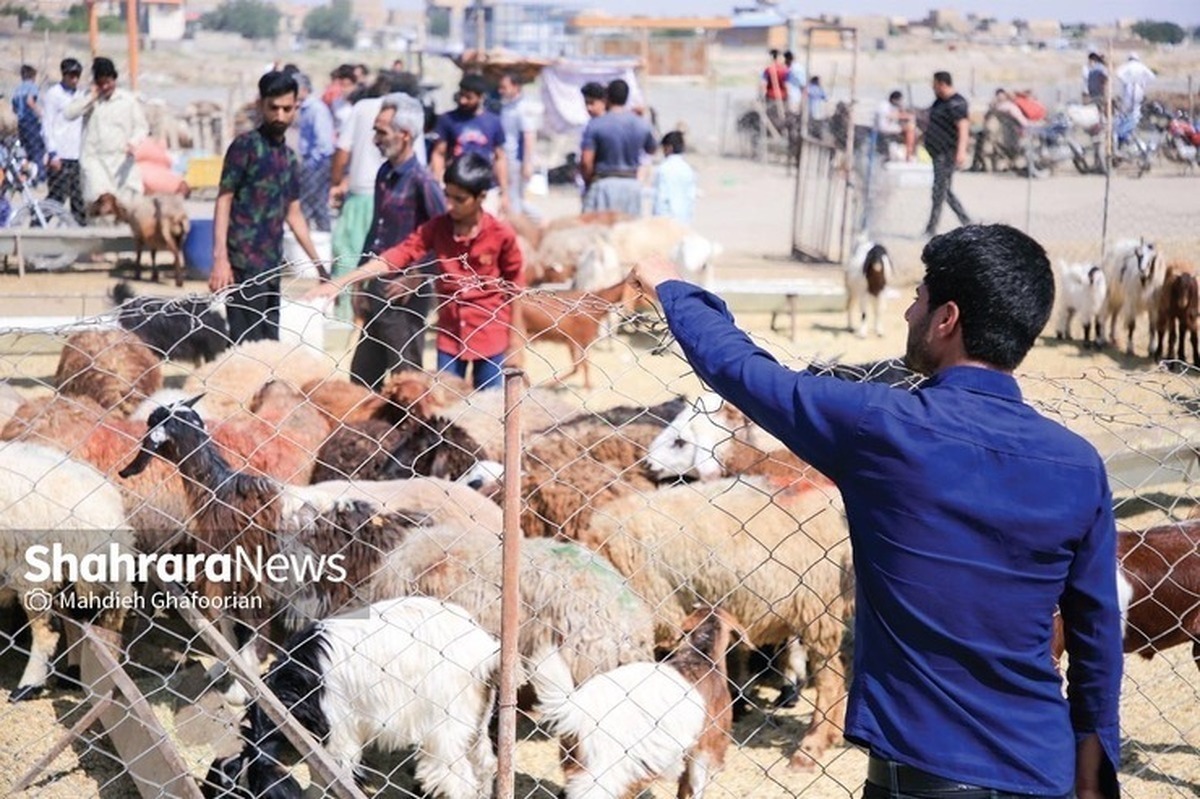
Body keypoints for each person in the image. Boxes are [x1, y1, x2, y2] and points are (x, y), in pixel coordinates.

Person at [630, 222, 1122, 799]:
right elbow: (1095, 636)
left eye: (918, 299)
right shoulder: (1078, 464)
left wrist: (671, 287)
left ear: (947, 319)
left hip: (923, 773)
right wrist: (1094, 777)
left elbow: (744, 372)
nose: (909, 315)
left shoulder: (881, 427)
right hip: (1046, 766)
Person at [305, 152, 522, 391]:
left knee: (491, 407)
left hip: (491, 337)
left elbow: (516, 288)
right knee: (447, 409)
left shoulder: (501, 235)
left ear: (480, 197)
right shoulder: (438, 228)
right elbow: (397, 256)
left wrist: (515, 343)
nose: (449, 205)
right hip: (450, 340)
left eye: (459, 199)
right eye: (447, 195)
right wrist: (343, 281)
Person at [211, 70, 325, 344]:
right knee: (244, 344)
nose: (280, 116)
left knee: (269, 345)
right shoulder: (245, 147)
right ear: (261, 105)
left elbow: (294, 214)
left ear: (296, 107)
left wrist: (319, 266)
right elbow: (224, 199)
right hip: (243, 265)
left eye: (287, 109)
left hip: (272, 266)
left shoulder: (288, 158)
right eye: (274, 108)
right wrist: (220, 259)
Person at [348, 93, 447, 388]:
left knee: (406, 381)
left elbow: (444, 240)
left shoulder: (423, 182)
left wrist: (417, 278)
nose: (375, 138)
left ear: (405, 135)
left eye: (382, 131)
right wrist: (359, 280)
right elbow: (375, 230)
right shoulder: (384, 173)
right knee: (362, 379)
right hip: (378, 286)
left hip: (404, 295)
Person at [330, 71, 405, 319]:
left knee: (348, 254)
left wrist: (336, 180)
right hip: (392, 192)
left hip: (362, 191)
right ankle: (375, 311)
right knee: (386, 256)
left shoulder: (362, 108)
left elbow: (343, 148)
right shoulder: (405, 113)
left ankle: (342, 315)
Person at [64, 57, 148, 209]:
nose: (105, 87)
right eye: (101, 83)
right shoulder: (90, 100)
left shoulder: (127, 101)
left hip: (121, 163)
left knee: (126, 206)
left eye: (108, 82)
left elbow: (141, 127)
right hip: (95, 162)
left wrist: (133, 143)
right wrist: (91, 97)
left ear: (114, 79)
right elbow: (69, 114)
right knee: (100, 206)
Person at [431, 74, 509, 214]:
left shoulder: (493, 122)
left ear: (480, 97)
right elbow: (439, 153)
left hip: (485, 188)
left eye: (468, 97)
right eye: (461, 95)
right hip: (456, 186)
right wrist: (438, 184)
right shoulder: (447, 120)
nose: (463, 100)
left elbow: (500, 157)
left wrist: (504, 191)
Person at [580, 79, 657, 217]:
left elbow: (586, 161)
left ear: (607, 97)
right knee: (628, 233)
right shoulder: (641, 124)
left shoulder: (596, 125)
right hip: (631, 185)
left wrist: (589, 181)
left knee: (596, 233)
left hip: (603, 184)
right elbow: (651, 149)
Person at [923, 71, 972, 238]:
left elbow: (963, 128)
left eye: (935, 84)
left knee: (939, 190)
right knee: (944, 190)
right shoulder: (939, 102)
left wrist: (961, 151)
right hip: (936, 152)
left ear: (942, 84)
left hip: (947, 153)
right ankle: (967, 222)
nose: (932, 88)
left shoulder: (957, 103)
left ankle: (932, 228)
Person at [42, 58, 86, 224]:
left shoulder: (80, 95)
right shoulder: (54, 95)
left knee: (78, 199)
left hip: (77, 154)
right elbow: (46, 125)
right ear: (64, 75)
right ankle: (36, 226)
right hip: (60, 155)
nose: (74, 79)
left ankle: (81, 235)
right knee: (57, 197)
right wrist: (52, 153)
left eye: (77, 76)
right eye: (71, 75)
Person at [296, 73, 335, 232]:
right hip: (311, 161)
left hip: (317, 163)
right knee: (308, 203)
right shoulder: (306, 109)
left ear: (304, 90)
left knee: (315, 204)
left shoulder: (316, 109)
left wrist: (312, 162)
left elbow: (324, 142)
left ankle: (322, 239)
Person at [498, 71, 538, 217]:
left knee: (514, 198)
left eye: (504, 87)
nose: (501, 91)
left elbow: (528, 136)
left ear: (516, 87)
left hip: (516, 160)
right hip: (506, 157)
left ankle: (537, 221)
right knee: (510, 197)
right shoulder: (508, 106)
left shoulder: (523, 108)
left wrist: (527, 163)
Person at [652, 130, 696, 225]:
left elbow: (661, 197)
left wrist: (656, 220)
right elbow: (691, 196)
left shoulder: (663, 168)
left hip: (666, 221)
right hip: (684, 220)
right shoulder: (688, 169)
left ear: (669, 148)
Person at [12, 65, 45, 182]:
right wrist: (41, 113)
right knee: (37, 149)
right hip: (31, 121)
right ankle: (39, 176)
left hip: (21, 123)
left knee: (25, 150)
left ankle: (27, 175)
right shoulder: (32, 87)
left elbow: (14, 108)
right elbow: (30, 101)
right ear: (32, 76)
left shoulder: (17, 89)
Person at [874, 90, 915, 161]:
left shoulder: (892, 106)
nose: (900, 103)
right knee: (910, 129)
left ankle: (908, 152)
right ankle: (908, 155)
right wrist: (906, 116)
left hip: (890, 127)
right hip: (884, 128)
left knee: (910, 127)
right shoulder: (884, 105)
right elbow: (891, 116)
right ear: (894, 99)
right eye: (899, 101)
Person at [1116, 53, 1155, 125]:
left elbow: (1118, 74)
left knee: (1126, 106)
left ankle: (1125, 123)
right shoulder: (1142, 66)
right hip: (1139, 87)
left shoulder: (1127, 65)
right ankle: (1134, 123)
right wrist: (1144, 82)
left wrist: (1126, 81)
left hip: (1129, 87)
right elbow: (1152, 76)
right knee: (1137, 106)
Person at [783, 51, 806, 116]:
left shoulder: (793, 69)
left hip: (793, 96)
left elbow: (802, 83)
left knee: (792, 114)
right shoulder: (799, 67)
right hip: (795, 95)